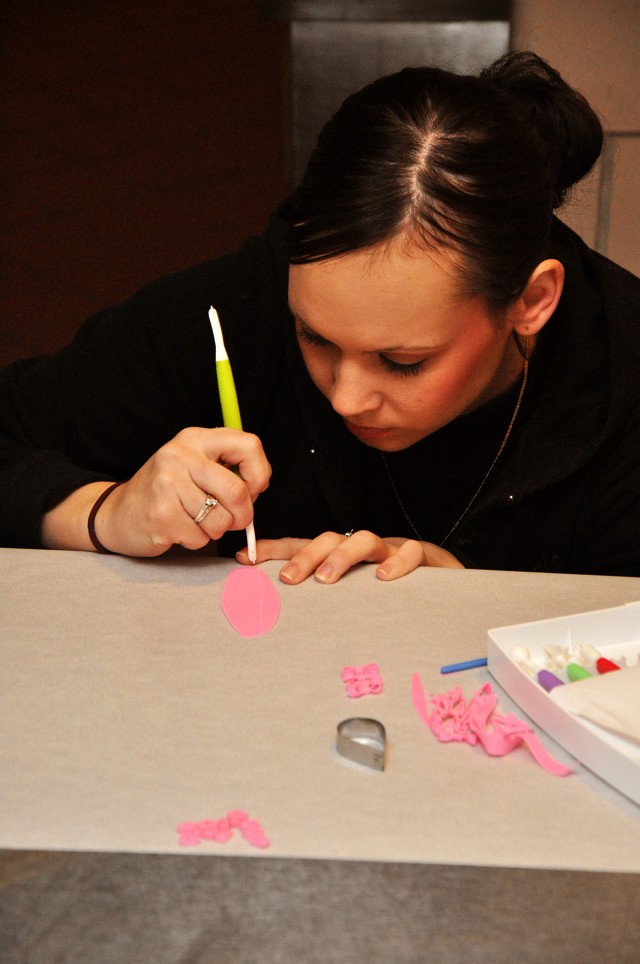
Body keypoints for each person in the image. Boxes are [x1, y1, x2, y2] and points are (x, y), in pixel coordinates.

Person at [1, 52, 639, 581]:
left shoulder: (621, 374)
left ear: (531, 303)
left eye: (403, 361)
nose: (347, 398)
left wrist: (466, 600)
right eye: (314, 336)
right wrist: (105, 514)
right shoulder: (242, 305)